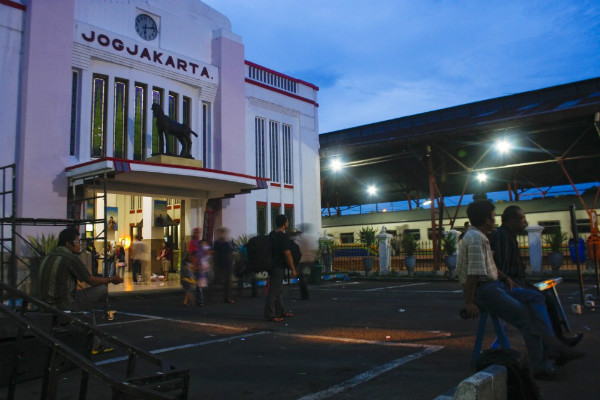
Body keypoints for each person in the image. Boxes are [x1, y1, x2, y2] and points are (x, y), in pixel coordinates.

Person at [457, 201, 583, 380]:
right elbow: (474, 274)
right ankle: (541, 364)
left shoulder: (479, 236)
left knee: (536, 298)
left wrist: (506, 278)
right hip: (486, 291)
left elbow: (490, 266)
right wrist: (469, 302)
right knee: (527, 319)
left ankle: (554, 345)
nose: (495, 221)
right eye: (493, 217)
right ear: (486, 220)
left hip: (495, 285)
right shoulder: (477, 238)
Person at [490, 205, 583, 347]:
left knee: (547, 300)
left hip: (515, 283)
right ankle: (555, 344)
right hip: (510, 285)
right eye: (522, 219)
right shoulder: (502, 237)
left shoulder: (508, 236)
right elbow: (502, 269)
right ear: (511, 220)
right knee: (544, 301)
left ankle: (556, 342)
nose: (525, 223)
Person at [38, 227, 123, 352]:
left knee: (87, 306)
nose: (79, 246)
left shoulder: (48, 256)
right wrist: (111, 279)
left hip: (44, 302)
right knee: (102, 289)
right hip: (64, 302)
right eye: (77, 242)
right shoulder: (70, 258)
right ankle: (95, 343)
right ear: (68, 244)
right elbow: (91, 280)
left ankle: (94, 341)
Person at [265, 215, 297, 322]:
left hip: (271, 265)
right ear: (285, 223)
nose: (288, 223)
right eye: (287, 221)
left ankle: (280, 312)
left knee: (277, 289)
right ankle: (270, 314)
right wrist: (293, 269)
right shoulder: (283, 236)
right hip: (278, 266)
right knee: (273, 291)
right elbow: (287, 254)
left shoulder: (271, 234)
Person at [213, 227, 235, 303]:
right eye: (222, 233)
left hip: (227, 264)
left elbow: (232, 250)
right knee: (217, 280)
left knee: (227, 282)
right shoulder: (218, 243)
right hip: (221, 263)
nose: (223, 234)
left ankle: (227, 297)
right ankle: (212, 296)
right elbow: (215, 253)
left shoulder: (228, 242)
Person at [296, 223, 318, 300]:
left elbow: (297, 247)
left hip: (302, 259)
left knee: (300, 276)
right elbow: (314, 248)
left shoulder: (300, 237)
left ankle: (304, 294)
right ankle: (310, 281)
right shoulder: (311, 237)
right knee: (309, 274)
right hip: (310, 259)